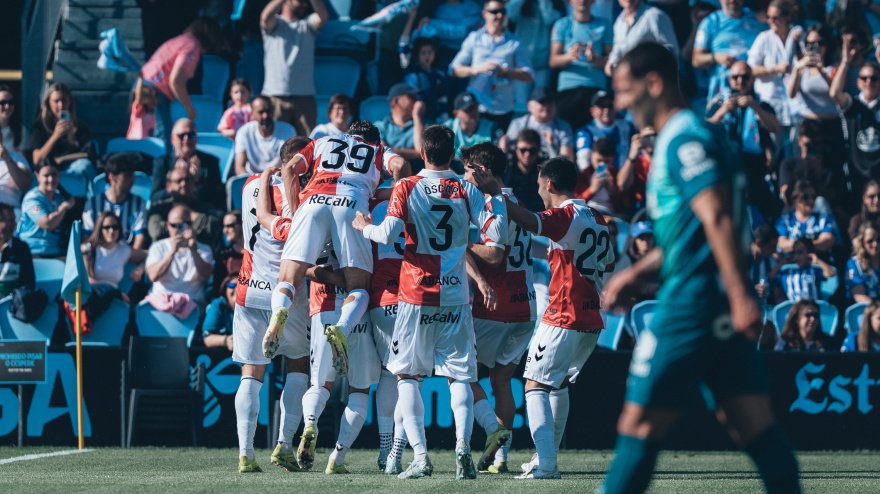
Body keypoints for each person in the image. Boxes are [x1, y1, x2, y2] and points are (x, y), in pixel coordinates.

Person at [601, 42, 799, 493]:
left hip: (694, 301)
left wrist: (740, 294)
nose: (620, 102)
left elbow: (719, 218)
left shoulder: (685, 138)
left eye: (625, 89)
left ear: (653, 83)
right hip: (712, 300)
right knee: (752, 424)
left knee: (639, 421)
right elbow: (692, 232)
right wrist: (638, 271)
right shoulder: (691, 135)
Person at [353, 125, 506, 479]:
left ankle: (420, 458)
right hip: (455, 295)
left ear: (421, 153)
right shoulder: (467, 188)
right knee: (460, 376)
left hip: (414, 294)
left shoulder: (406, 186)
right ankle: (463, 447)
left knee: (407, 376)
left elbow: (387, 234)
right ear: (452, 153)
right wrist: (495, 193)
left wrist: (364, 227)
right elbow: (494, 235)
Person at [267, 121, 409, 379]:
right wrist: (398, 196)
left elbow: (289, 169)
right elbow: (400, 166)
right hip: (352, 204)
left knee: (288, 278)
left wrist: (297, 212)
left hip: (312, 202)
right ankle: (342, 328)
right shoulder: (377, 150)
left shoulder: (321, 142)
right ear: (375, 140)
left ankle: (278, 311)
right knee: (359, 286)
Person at [499, 157, 612, 479]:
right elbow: (610, 262)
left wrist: (498, 196)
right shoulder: (597, 217)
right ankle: (543, 457)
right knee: (558, 384)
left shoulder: (563, 215)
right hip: (591, 319)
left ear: (549, 184)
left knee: (533, 385)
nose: (538, 190)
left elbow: (530, 220)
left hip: (563, 314)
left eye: (538, 185)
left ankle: (547, 464)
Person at [234, 136, 313, 474]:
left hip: (249, 288)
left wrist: (269, 173)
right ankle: (283, 444)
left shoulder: (250, 184)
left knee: (251, 373)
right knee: (298, 367)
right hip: (289, 291)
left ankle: (245, 453)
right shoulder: (304, 198)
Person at [460, 143, 536, 475]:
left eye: (467, 169)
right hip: (525, 306)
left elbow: (494, 255)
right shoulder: (516, 201)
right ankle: (501, 455)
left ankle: (492, 432)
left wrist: (461, 244)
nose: (464, 176)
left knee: (462, 374)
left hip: (494, 307)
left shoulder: (492, 201)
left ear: (482, 171)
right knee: (502, 381)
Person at [300, 245, 381, 475]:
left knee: (320, 385)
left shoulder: (311, 217)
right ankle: (338, 455)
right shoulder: (360, 216)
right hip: (358, 309)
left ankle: (310, 424)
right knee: (360, 391)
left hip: (324, 307)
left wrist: (325, 275)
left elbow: (297, 264)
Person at [705, 61, 781, 220]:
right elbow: (705, 129)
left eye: (745, 77)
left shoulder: (760, 103)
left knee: (762, 213)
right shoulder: (718, 103)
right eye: (735, 77)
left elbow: (775, 127)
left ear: (752, 79)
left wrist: (755, 107)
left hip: (754, 168)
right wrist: (722, 111)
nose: (740, 81)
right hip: (727, 167)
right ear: (729, 79)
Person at [365, 193, 407, 475]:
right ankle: (397, 452)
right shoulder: (419, 200)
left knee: (386, 374)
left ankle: (385, 446)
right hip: (413, 298)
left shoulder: (373, 205)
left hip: (381, 298)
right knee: (409, 378)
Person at [450, 0, 535, 130]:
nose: (499, 16)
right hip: (477, 108)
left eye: (503, 12)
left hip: (503, 108)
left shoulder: (515, 43)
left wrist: (505, 72)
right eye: (495, 12)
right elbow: (454, 69)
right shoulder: (474, 38)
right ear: (484, 14)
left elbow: (529, 75)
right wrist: (478, 69)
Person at [139, 17, 226, 144]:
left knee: (147, 138)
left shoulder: (180, 40)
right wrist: (190, 109)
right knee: (162, 140)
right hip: (153, 91)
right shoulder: (192, 46)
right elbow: (176, 81)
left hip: (143, 87)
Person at [260, 0, 329, 137]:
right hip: (276, 96)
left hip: (305, 97)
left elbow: (323, 17)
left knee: (308, 148)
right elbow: (265, 17)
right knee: (278, 148)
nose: (304, 4)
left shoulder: (307, 24)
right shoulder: (274, 24)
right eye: (301, 1)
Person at [829, 39, 880, 215]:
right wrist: (845, 62)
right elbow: (835, 93)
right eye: (864, 78)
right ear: (857, 82)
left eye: (874, 78)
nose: (869, 82)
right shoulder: (853, 104)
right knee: (858, 216)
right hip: (858, 173)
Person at [747, 0, 800, 161]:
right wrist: (773, 69)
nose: (771, 21)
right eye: (769, 17)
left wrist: (798, 45)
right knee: (773, 156)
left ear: (787, 17)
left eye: (776, 17)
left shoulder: (797, 35)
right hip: (771, 106)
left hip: (795, 106)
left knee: (796, 155)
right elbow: (750, 69)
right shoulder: (764, 38)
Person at [548, 0, 613, 131]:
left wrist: (594, 59)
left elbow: (612, 62)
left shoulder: (604, 25)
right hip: (568, 89)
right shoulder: (562, 25)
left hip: (595, 88)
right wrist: (570, 56)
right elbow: (553, 61)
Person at [786, 24, 842, 173]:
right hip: (807, 124)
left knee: (833, 170)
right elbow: (791, 94)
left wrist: (820, 70)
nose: (816, 47)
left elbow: (836, 93)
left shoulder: (835, 66)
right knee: (806, 171)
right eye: (810, 44)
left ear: (828, 45)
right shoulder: (802, 66)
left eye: (820, 43)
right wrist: (798, 68)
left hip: (831, 125)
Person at [691, 0, 765, 100]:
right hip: (724, 89)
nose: (732, 1)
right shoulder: (710, 22)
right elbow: (696, 60)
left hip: (756, 87)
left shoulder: (757, 19)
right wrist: (715, 57)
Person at [27, 82, 97, 185]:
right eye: (56, 101)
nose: (61, 105)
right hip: (49, 172)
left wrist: (71, 138)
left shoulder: (81, 128)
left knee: (86, 166)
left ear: (70, 102)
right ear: (48, 103)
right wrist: (55, 136)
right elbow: (37, 160)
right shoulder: (40, 128)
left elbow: (86, 154)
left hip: (74, 169)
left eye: (64, 100)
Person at [145, 204, 214, 307]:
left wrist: (194, 250)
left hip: (193, 302)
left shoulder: (204, 249)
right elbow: (153, 276)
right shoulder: (157, 246)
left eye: (185, 224)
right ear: (168, 225)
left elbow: (206, 275)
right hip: (161, 301)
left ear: (191, 224)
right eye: (175, 225)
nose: (179, 229)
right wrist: (172, 252)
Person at [150, 118, 226, 211]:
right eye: (181, 136)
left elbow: (219, 197)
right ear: (172, 139)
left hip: (201, 211)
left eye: (191, 135)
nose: (186, 139)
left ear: (196, 138)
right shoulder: (162, 162)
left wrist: (197, 182)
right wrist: (175, 185)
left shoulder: (210, 161)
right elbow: (154, 197)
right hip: (171, 211)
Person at [507, 0, 565, 109]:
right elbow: (510, 13)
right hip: (521, 64)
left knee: (542, 102)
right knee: (521, 104)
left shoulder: (555, 3)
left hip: (543, 63)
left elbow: (550, 19)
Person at [81, 211, 147, 308]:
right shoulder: (89, 249)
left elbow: (152, 255)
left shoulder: (123, 250)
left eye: (115, 227)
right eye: (107, 227)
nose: (111, 231)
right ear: (99, 229)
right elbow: (88, 280)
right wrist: (116, 293)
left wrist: (140, 268)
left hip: (113, 301)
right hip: (93, 298)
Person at [83, 153, 148, 250]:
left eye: (132, 176)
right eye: (127, 176)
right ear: (111, 177)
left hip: (128, 258)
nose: (132, 180)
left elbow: (139, 239)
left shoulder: (139, 203)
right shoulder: (93, 203)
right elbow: (87, 238)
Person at [17, 159, 77, 258]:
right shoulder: (32, 198)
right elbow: (47, 223)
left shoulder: (60, 197)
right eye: (46, 175)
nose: (51, 179)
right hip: (31, 251)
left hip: (56, 251)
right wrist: (63, 208)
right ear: (37, 176)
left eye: (54, 174)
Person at [147, 167, 222, 247]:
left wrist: (186, 211)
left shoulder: (205, 207)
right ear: (168, 186)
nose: (184, 184)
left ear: (193, 184)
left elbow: (212, 228)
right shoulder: (159, 207)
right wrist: (189, 227)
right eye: (178, 181)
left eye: (187, 180)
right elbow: (156, 231)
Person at [605, 0, 679, 76]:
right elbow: (617, 51)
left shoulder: (654, 16)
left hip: (653, 80)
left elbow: (671, 51)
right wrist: (611, 64)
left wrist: (647, 63)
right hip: (630, 82)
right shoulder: (619, 23)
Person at [503, 87, 575, 162]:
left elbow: (568, 160)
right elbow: (509, 153)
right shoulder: (518, 124)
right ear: (529, 105)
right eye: (542, 102)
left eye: (549, 102)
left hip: (550, 170)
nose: (546, 106)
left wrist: (551, 147)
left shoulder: (564, 127)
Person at [575, 90, 637, 173]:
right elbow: (583, 160)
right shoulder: (586, 131)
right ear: (592, 111)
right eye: (601, 106)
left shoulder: (627, 126)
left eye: (610, 105)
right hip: (598, 179)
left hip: (625, 179)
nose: (606, 109)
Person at [776, 119, 834, 207]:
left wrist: (818, 174)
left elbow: (832, 200)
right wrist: (799, 170)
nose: (812, 147)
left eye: (816, 144)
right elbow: (785, 198)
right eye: (808, 144)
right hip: (795, 212)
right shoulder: (788, 165)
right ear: (799, 140)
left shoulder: (828, 165)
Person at [234, 96, 297, 175]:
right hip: (252, 180)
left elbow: (291, 164)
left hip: (279, 179)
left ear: (273, 110)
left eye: (268, 111)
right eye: (261, 112)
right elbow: (240, 167)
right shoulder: (244, 132)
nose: (265, 115)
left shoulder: (288, 130)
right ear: (252, 113)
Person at [775, 180, 838, 257]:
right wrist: (810, 245)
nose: (811, 201)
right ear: (794, 199)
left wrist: (798, 246)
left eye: (813, 197)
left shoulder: (824, 219)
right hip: (792, 266)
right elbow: (782, 244)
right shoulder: (785, 220)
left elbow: (828, 241)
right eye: (805, 197)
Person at [374, 84, 427, 171]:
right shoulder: (379, 126)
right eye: (411, 97)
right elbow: (382, 152)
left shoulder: (424, 124)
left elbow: (423, 151)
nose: (418, 101)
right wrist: (416, 153)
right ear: (396, 101)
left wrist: (417, 116)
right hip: (390, 178)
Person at [768, 237, 836, 302]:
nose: (796, 256)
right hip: (792, 310)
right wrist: (781, 263)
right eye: (794, 253)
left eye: (800, 252)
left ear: (810, 254)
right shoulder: (786, 271)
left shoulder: (814, 270)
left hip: (812, 309)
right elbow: (771, 276)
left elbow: (831, 273)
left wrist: (817, 260)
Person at [443, 92, 504, 163]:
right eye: (468, 109)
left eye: (475, 107)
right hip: (453, 172)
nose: (473, 112)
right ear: (456, 113)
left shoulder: (493, 128)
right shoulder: (446, 129)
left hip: (481, 172)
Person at [575, 137, 624, 215]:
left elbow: (624, 206)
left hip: (609, 216)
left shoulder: (617, 176)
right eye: (599, 160)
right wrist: (591, 190)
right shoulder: (582, 175)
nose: (602, 164)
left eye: (607, 161)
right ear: (591, 155)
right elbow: (574, 204)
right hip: (586, 214)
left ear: (613, 159)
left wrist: (612, 191)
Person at [404, 37, 449, 121]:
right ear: (417, 54)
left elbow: (442, 100)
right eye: (423, 53)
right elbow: (403, 47)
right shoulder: (411, 71)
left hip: (432, 118)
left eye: (430, 52)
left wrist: (445, 121)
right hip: (412, 118)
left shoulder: (439, 75)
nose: (427, 56)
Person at [503, 129, 545, 212]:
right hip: (513, 218)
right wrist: (503, 153)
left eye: (532, 151)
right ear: (516, 150)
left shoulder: (544, 170)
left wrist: (550, 146)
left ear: (539, 151)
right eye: (523, 150)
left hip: (540, 218)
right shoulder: (507, 168)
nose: (527, 154)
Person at [616, 126, 655, 213]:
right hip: (640, 211)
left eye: (654, 136)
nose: (651, 140)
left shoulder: (666, 160)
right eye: (646, 137)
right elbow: (621, 185)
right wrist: (632, 156)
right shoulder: (636, 163)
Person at [0, 203, 35, 298]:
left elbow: (28, 284)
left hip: (12, 307)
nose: (15, 224)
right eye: (11, 220)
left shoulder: (22, 248)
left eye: (15, 220)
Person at [846, 221, 880, 304]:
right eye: (870, 241)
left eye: (879, 240)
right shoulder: (854, 263)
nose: (875, 244)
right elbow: (859, 296)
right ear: (862, 242)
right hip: (865, 311)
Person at [0, 123, 32, 208]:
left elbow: (24, 186)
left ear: (1, 137)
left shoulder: (16, 157)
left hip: (10, 210)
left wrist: (8, 159)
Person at [203, 274, 237, 350]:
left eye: (242, 285)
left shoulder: (256, 308)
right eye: (232, 285)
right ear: (225, 290)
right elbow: (207, 337)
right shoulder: (218, 305)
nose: (237, 288)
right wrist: (226, 341)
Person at [214, 210, 244, 295]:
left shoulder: (255, 252)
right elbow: (217, 288)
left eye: (229, 226)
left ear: (242, 225)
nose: (225, 231)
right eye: (224, 226)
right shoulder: (224, 255)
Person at [0, 84, 28, 154]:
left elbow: (22, 162)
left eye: (10, 102)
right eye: (2, 102)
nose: (7, 106)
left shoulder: (21, 131)